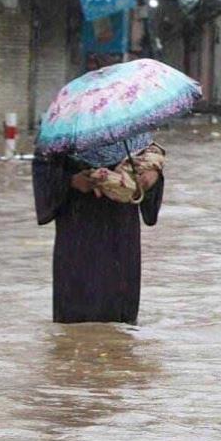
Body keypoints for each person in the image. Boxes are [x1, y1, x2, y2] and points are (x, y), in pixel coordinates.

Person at [32, 135, 164, 324]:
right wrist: (72, 181)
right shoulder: (62, 132)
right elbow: (43, 168)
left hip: (121, 225)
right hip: (78, 225)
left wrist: (151, 177)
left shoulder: (130, 128)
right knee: (76, 309)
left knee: (119, 313)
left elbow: (150, 162)